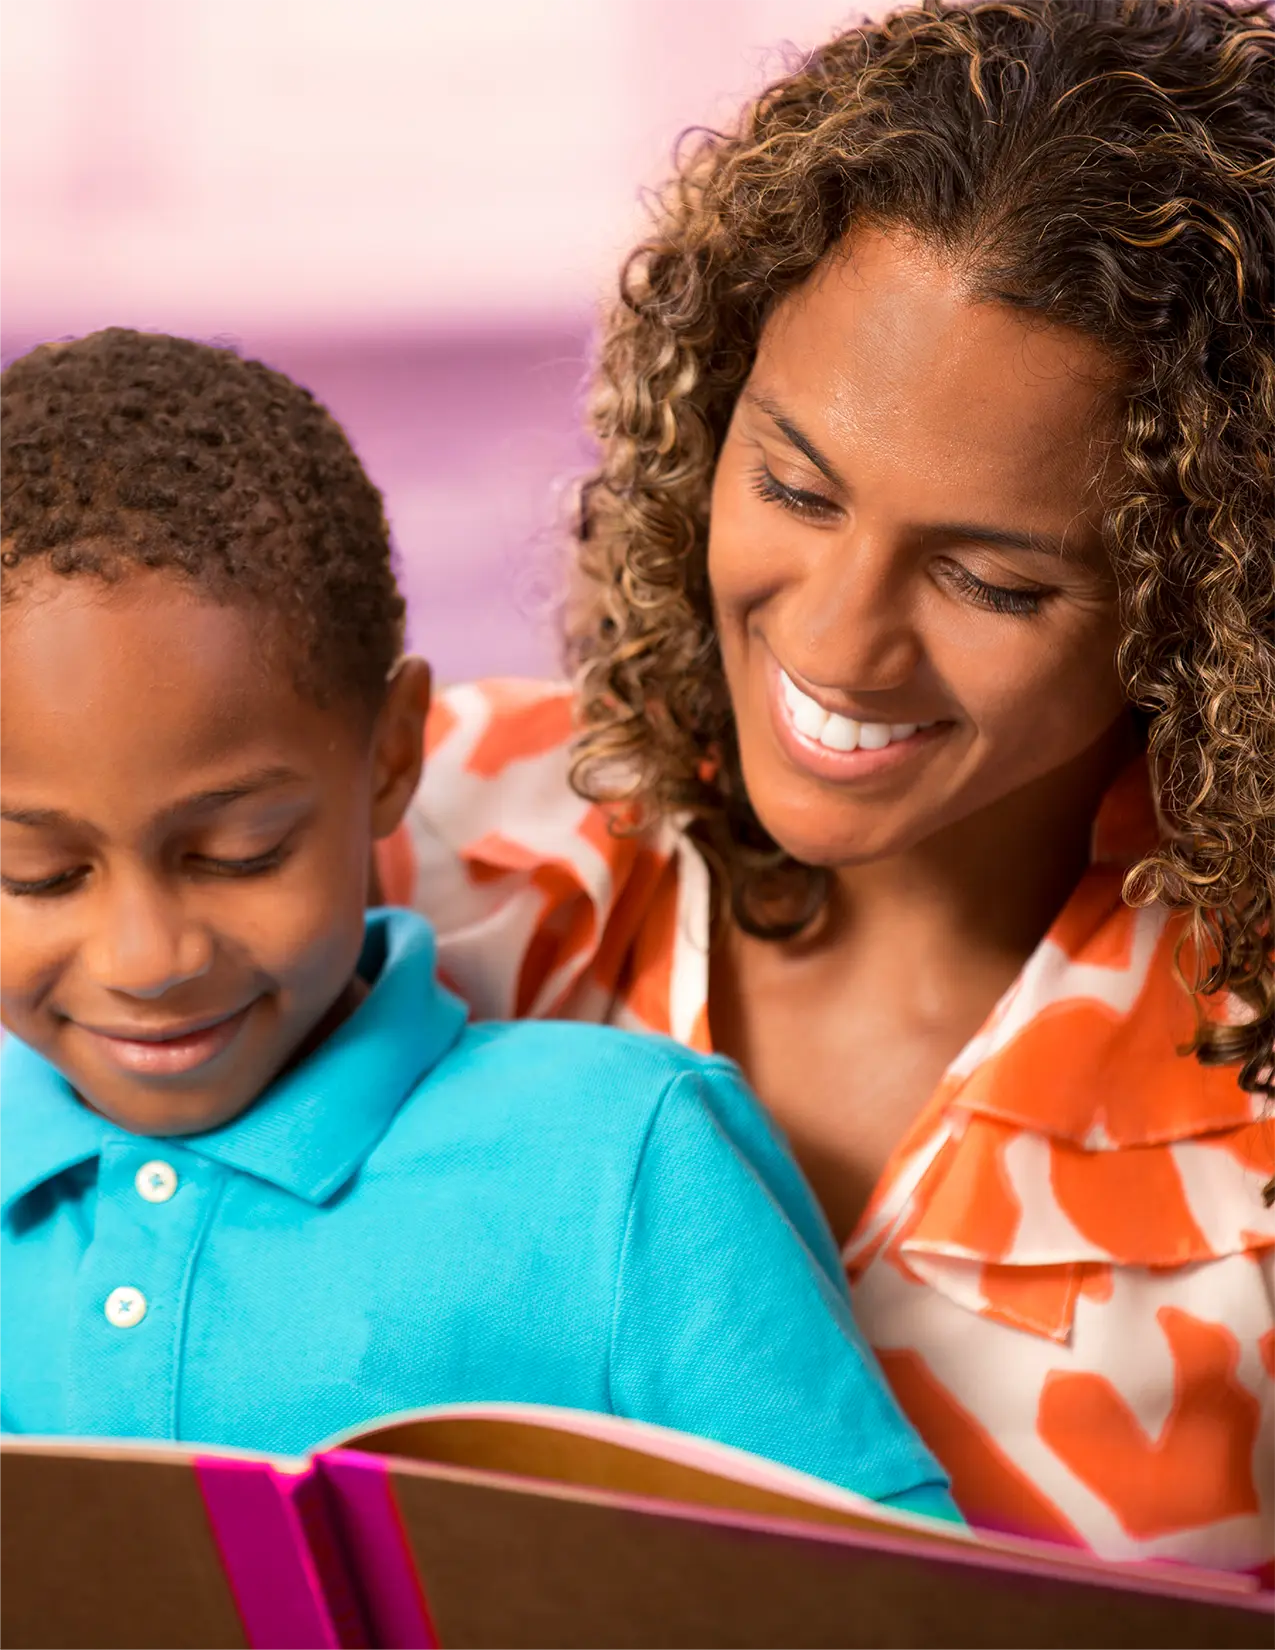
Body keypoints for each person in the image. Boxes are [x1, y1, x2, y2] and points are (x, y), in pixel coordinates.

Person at [374, 0, 1275, 1573]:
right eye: (792, 485)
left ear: (1201, 601)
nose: (835, 641)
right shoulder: (417, 843)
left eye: (991, 580)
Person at [0, 329, 957, 1521]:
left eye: (239, 854)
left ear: (394, 754)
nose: (149, 959)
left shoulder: (625, 1162)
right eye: (36, 875)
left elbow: (902, 1606)